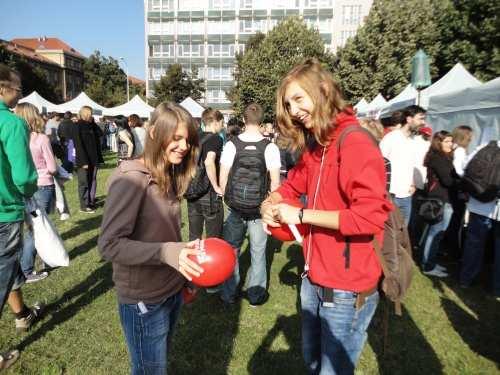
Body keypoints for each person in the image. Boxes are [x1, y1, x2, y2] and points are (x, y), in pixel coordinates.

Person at [261, 59, 391, 374]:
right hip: (313, 277)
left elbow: (370, 218)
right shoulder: (315, 147)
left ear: (323, 91)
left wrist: (302, 213)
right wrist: (271, 202)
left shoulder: (355, 142)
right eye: (288, 104)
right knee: (312, 362)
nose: (293, 111)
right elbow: (291, 186)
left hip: (347, 288)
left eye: (298, 99)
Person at [98, 102, 204, 374]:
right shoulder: (131, 179)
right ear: (155, 132)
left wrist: (183, 277)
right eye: (177, 138)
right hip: (144, 301)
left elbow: (166, 234)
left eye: (188, 140)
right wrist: (167, 253)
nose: (183, 146)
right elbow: (109, 245)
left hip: (170, 291)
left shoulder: (167, 173)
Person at [0, 64, 43, 371]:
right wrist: (27, 190)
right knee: (2, 275)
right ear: (3, 87)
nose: (20, 94)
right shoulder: (12, 124)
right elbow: (25, 177)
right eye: (17, 88)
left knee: (8, 269)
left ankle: (22, 315)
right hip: (5, 211)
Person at [219, 103, 281, 306]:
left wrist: (225, 196)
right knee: (258, 251)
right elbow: (275, 182)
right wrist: (270, 205)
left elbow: (224, 176)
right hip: (258, 207)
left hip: (235, 206)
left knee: (231, 250)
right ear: (262, 123)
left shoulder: (231, 144)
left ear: (244, 120)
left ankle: (229, 294)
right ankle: (256, 295)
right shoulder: (270, 147)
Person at [15, 103, 56, 283]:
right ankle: (26, 269)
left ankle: (28, 265)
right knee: (37, 229)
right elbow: (52, 167)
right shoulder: (41, 139)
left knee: (30, 228)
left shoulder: (16, 138)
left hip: (21, 188)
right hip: (42, 185)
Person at [459, 140, 500, 300]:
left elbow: (464, 168)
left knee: (474, 244)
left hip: (479, 204)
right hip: (496, 207)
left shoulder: (485, 145)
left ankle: (466, 279)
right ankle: (496, 289)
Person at [420, 131, 460, 278]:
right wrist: (460, 182)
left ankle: (429, 261)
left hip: (443, 199)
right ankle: (428, 265)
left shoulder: (443, 158)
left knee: (436, 232)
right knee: (435, 233)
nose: (451, 144)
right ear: (439, 143)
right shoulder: (439, 159)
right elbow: (448, 180)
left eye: (451, 141)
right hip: (441, 199)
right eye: (447, 141)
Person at [380, 105, 426, 225]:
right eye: (420, 119)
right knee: (389, 234)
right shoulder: (391, 138)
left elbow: (408, 165)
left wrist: (412, 183)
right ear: (409, 119)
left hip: (406, 195)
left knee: (402, 233)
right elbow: (379, 164)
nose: (423, 122)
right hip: (390, 195)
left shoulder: (412, 140)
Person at [187, 108, 224, 241]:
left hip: (192, 190)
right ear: (216, 122)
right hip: (209, 194)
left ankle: (193, 261)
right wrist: (216, 186)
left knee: (194, 235)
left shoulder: (194, 137)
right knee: (214, 238)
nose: (222, 126)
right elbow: (209, 161)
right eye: (222, 122)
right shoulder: (216, 139)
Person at [444, 125, 473, 257]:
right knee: (455, 221)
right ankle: (451, 250)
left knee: (452, 220)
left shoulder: (454, 148)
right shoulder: (460, 150)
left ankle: (447, 247)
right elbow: (459, 170)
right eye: (470, 136)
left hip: (453, 190)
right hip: (457, 191)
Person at [72, 106, 102, 213]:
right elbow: (78, 145)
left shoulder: (91, 125)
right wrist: (83, 162)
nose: (92, 115)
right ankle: (84, 205)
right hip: (84, 160)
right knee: (84, 182)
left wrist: (93, 123)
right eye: (90, 113)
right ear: (85, 113)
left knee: (92, 180)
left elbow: (100, 133)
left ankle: (90, 201)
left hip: (93, 158)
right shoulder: (77, 126)